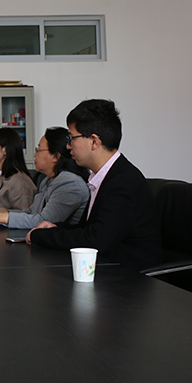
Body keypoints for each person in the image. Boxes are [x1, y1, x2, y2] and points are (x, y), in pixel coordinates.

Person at [27, 99, 162, 270]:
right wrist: (55, 227)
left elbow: (94, 241)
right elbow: (88, 229)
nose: (68, 146)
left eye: (71, 138)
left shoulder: (123, 183)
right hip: (106, 269)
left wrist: (42, 236)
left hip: (130, 278)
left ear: (94, 141)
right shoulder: (105, 177)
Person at [0, 127, 89, 229]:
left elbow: (44, 221)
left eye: (39, 150)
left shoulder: (69, 183)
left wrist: (4, 217)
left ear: (55, 156)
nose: (35, 155)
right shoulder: (47, 180)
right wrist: (0, 214)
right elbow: (31, 212)